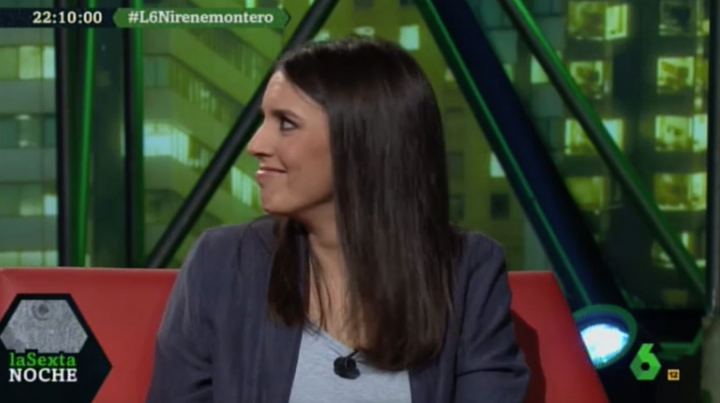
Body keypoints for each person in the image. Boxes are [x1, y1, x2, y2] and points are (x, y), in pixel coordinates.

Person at [146, 37, 529, 403]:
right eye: (264, 120)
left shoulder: (469, 270)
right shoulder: (222, 262)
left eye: (286, 123)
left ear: (363, 140)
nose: (256, 145)